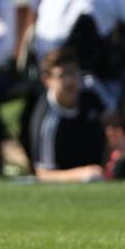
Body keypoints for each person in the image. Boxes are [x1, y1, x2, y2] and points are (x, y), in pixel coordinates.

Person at [27, 47, 107, 183]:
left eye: (73, 73)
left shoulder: (91, 92)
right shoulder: (47, 121)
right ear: (47, 80)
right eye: (62, 75)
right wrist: (82, 174)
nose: (70, 81)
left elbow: (113, 121)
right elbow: (44, 173)